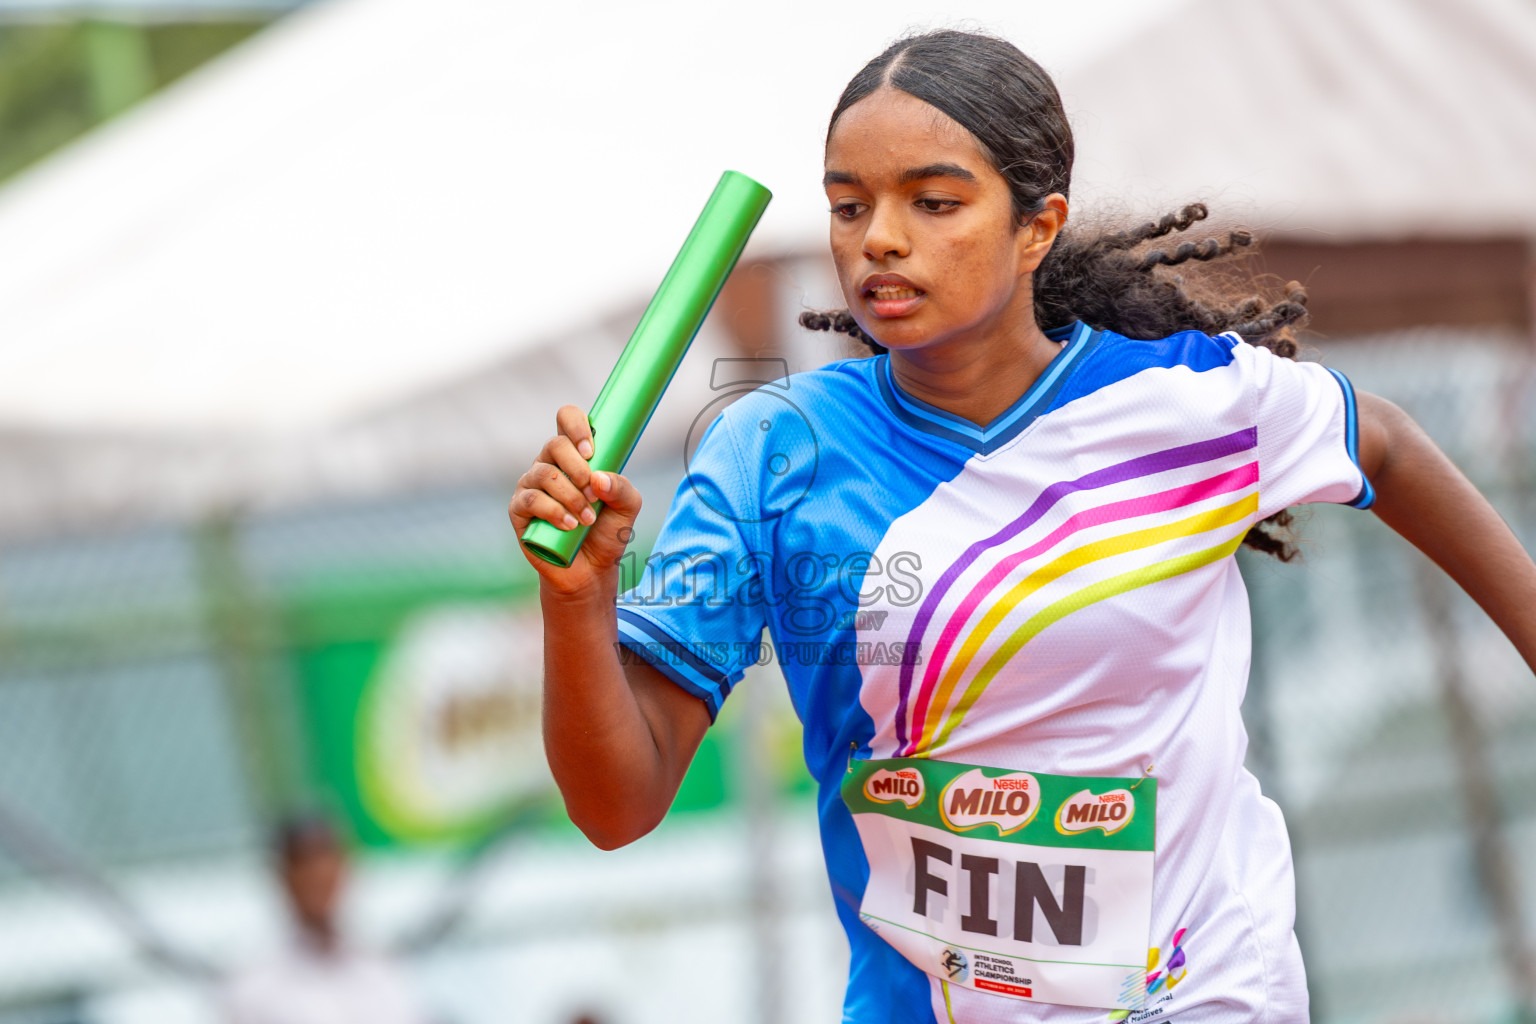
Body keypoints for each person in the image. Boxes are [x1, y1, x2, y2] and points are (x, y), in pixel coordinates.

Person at [508, 30, 1536, 1023]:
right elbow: (617, 806)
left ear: (1037, 226)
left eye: (935, 202)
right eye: (848, 205)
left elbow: (1384, 444)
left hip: (1208, 989)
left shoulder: (1189, 403)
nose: (880, 238)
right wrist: (577, 599)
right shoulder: (770, 456)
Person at [221, 813, 430, 1024]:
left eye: (325, 860)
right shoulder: (254, 986)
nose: (317, 876)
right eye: (304, 863)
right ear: (283, 877)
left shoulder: (385, 970)